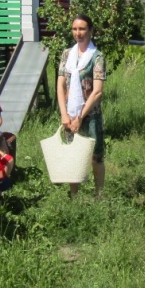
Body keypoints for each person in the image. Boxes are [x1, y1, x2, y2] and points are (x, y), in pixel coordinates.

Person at [56, 15, 106, 196]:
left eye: (82, 29)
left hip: (90, 116)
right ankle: (74, 196)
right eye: (75, 29)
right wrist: (64, 114)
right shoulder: (67, 54)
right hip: (70, 115)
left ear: (90, 31)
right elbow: (60, 85)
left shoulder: (97, 57)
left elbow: (97, 92)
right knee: (73, 155)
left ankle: (99, 196)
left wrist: (80, 117)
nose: (78, 33)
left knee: (95, 157)